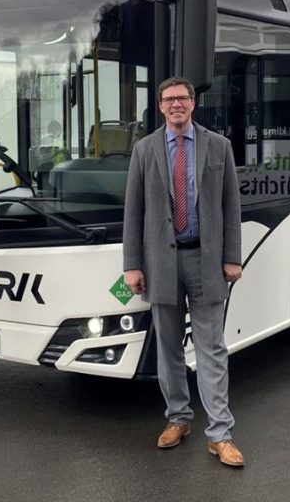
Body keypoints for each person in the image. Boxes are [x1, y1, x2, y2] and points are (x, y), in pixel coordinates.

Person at [122, 77, 245, 467]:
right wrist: (132, 264)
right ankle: (178, 418)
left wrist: (232, 257)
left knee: (211, 348)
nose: (176, 105)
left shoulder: (218, 146)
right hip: (161, 261)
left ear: (193, 104)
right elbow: (134, 212)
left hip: (205, 260)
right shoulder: (144, 150)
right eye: (169, 99)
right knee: (169, 348)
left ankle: (220, 433)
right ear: (160, 106)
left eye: (183, 99)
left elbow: (231, 207)